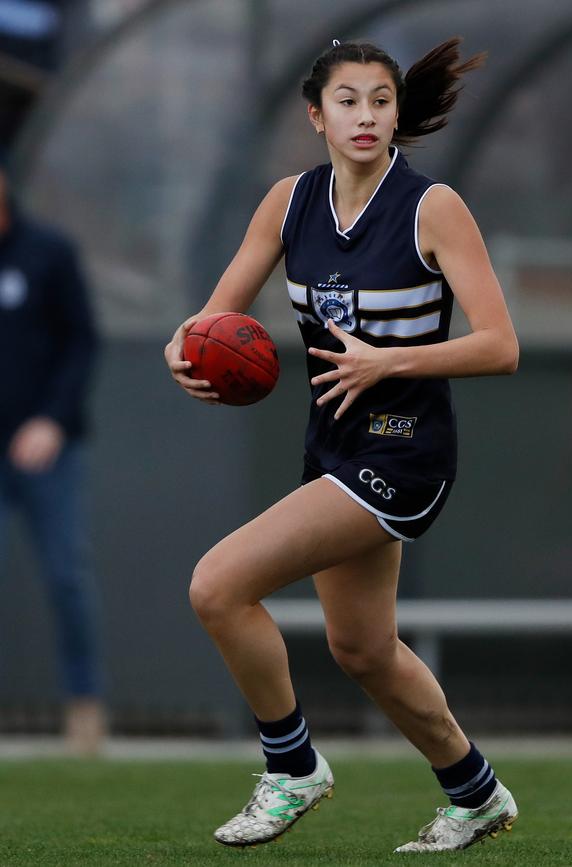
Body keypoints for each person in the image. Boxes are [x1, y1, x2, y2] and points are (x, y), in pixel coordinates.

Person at [165, 38, 520, 854]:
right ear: (316, 115)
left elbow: (501, 345)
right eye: (349, 101)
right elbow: (214, 318)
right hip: (334, 445)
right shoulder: (288, 202)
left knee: (218, 585)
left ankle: (291, 767)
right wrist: (182, 347)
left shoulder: (434, 208)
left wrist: (387, 359)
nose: (366, 116)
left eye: (381, 101)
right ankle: (477, 794)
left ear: (398, 115)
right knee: (362, 648)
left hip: (404, 449)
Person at [0, 159, 105, 754]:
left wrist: (50, 421)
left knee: (67, 576)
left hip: (47, 452)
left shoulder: (47, 252)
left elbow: (83, 341)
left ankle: (85, 710)